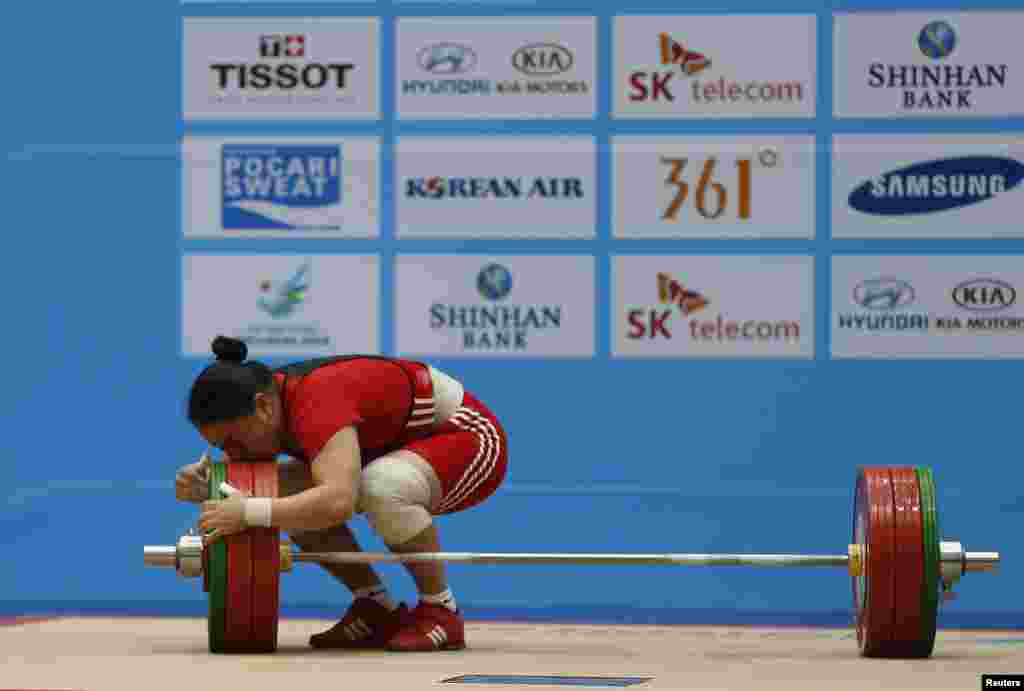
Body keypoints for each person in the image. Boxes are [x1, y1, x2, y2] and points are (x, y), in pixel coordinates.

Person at [175, 336, 509, 652]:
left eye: (234, 443)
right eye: (223, 449)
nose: (234, 455)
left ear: (262, 408)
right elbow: (272, 486)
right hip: (394, 449)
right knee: (284, 492)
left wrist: (249, 512)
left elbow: (338, 502)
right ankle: (374, 605)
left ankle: (441, 610)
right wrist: (209, 486)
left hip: (469, 438)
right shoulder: (273, 402)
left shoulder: (317, 401)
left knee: (380, 486)